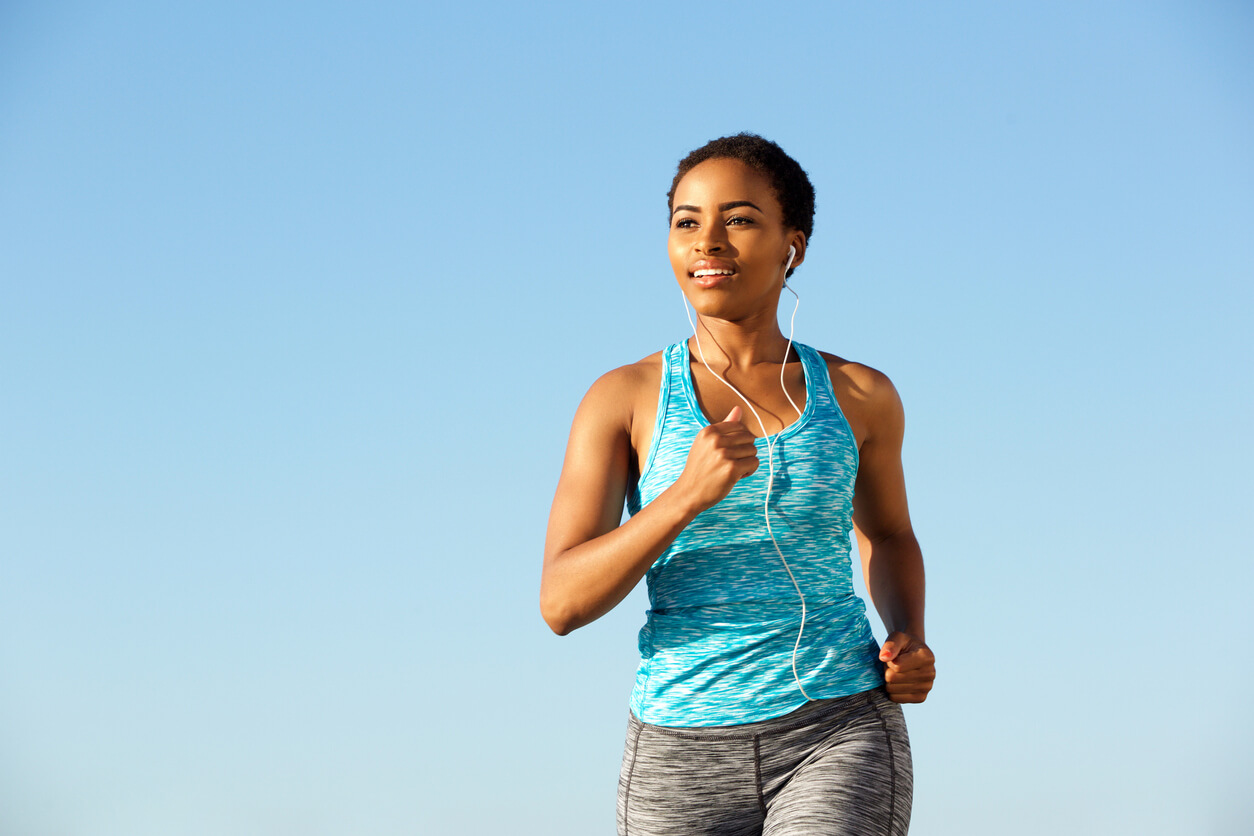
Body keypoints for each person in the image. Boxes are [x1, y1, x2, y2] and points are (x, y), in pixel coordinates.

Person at [541, 133, 935, 836]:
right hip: (677, 750)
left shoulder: (860, 394)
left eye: (741, 219)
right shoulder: (623, 397)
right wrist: (683, 495)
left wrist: (908, 633)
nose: (709, 242)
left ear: (795, 245)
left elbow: (890, 534)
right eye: (687, 221)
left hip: (835, 724)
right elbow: (562, 602)